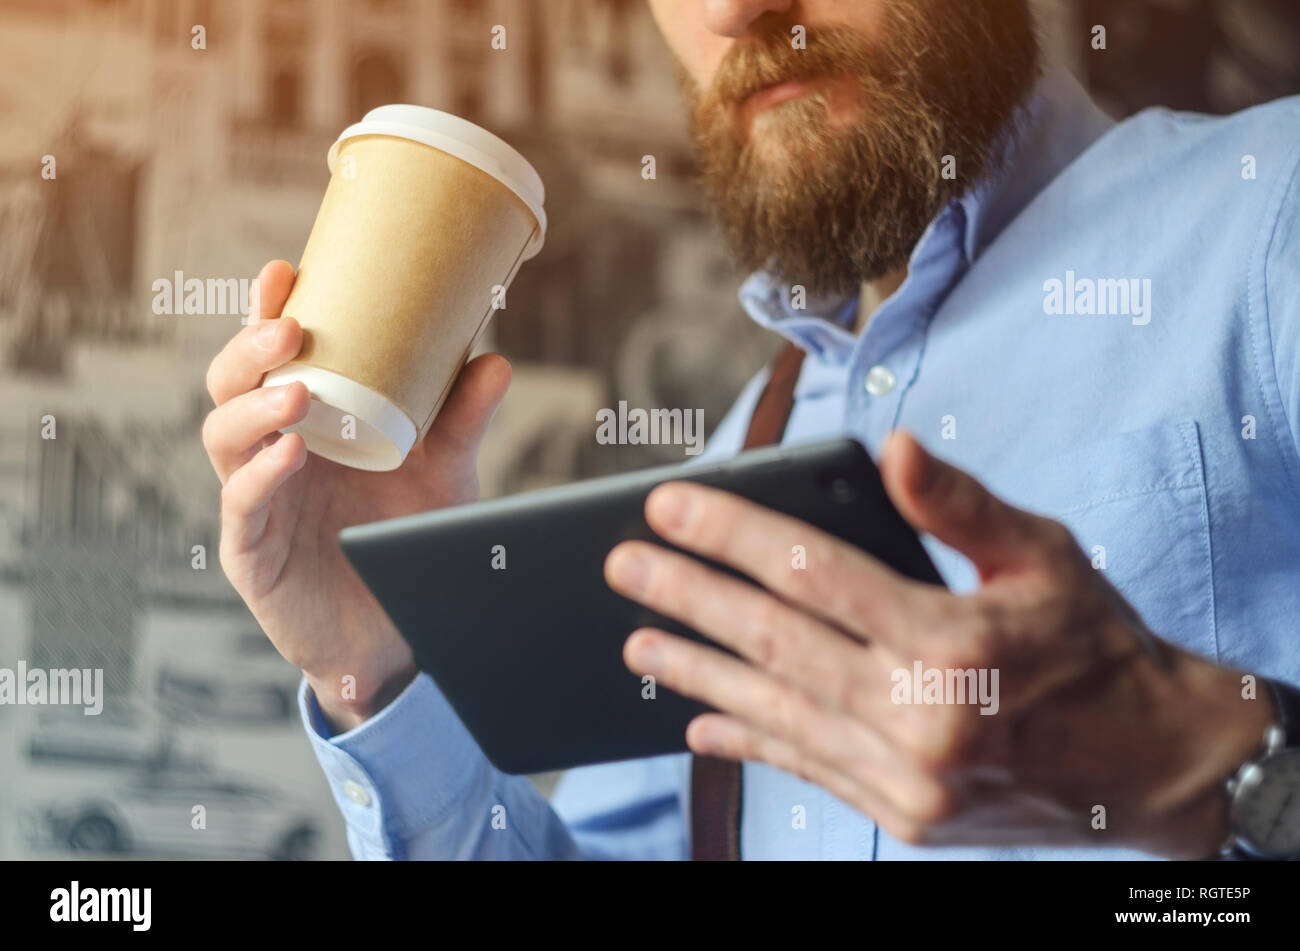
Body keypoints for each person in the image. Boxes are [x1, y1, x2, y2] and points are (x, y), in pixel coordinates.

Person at [201, 0, 1300, 860]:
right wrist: (373, 668)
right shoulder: (739, 458)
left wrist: (1218, 767)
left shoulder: (1272, 220)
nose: (731, 10)